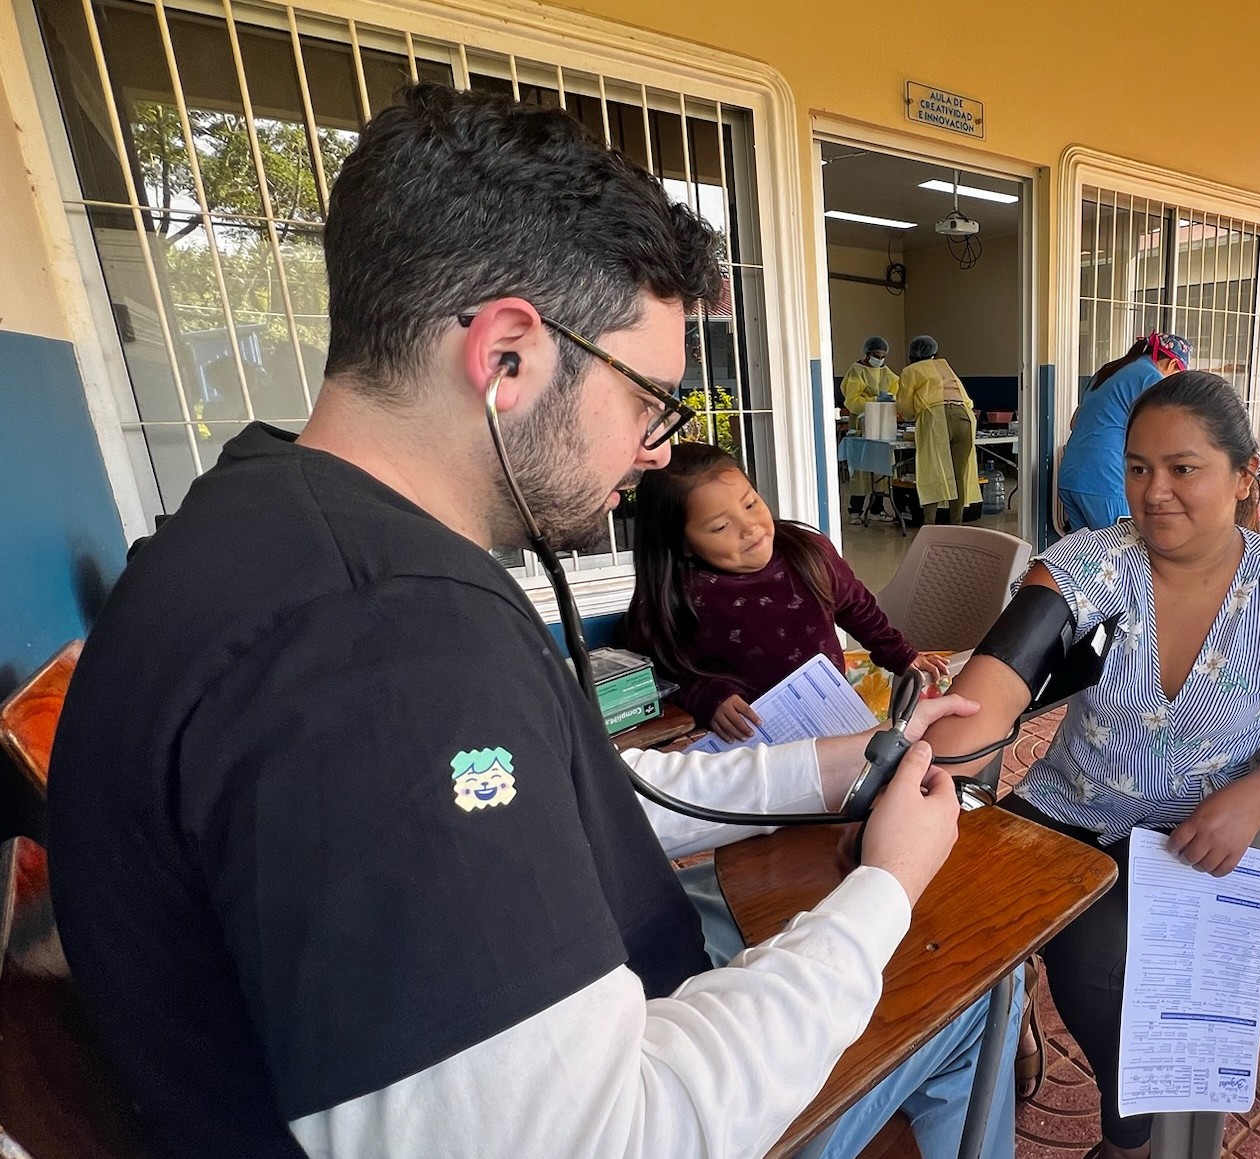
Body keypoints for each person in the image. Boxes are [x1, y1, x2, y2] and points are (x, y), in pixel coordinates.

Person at [45, 85, 1019, 1159]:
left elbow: (577, 805)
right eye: (649, 401)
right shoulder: (384, 646)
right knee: (975, 996)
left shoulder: (266, 522)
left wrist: (842, 767)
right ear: (507, 354)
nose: (656, 451)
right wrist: (882, 892)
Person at [922, 370, 1260, 1159]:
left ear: (1243, 475)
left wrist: (1252, 800)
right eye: (1136, 467)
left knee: (1094, 952)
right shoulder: (1091, 563)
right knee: (944, 908)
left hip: (1192, 829)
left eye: (1182, 468)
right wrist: (940, 771)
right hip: (1067, 805)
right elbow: (993, 683)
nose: (1154, 492)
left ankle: (1130, 1140)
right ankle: (1008, 1015)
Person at [619, 443, 947, 742]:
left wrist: (901, 654)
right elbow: (658, 670)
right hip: (752, 743)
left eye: (750, 504)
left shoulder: (807, 553)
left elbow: (857, 607)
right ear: (683, 545)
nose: (750, 528)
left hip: (829, 716)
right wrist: (709, 697)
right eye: (721, 527)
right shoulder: (678, 593)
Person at [1058, 332, 1189, 531]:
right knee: (1120, 552)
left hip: (1071, 475)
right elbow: (1165, 431)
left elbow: (1074, 423)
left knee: (1086, 557)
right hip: (1104, 481)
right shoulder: (1151, 377)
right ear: (1172, 365)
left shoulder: (1109, 371)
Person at [897, 334, 980, 525]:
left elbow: (905, 406)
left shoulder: (911, 370)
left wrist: (910, 416)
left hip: (936, 417)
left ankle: (929, 524)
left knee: (932, 470)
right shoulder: (944, 366)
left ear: (912, 355)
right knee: (960, 472)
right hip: (965, 415)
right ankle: (956, 523)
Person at [841, 335, 897, 515]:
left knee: (881, 466)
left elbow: (898, 391)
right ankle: (855, 510)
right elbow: (852, 401)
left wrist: (893, 399)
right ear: (867, 354)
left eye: (882, 356)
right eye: (876, 355)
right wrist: (874, 400)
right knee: (861, 469)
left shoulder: (887, 372)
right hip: (862, 426)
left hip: (883, 426)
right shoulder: (857, 370)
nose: (879, 360)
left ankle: (877, 508)